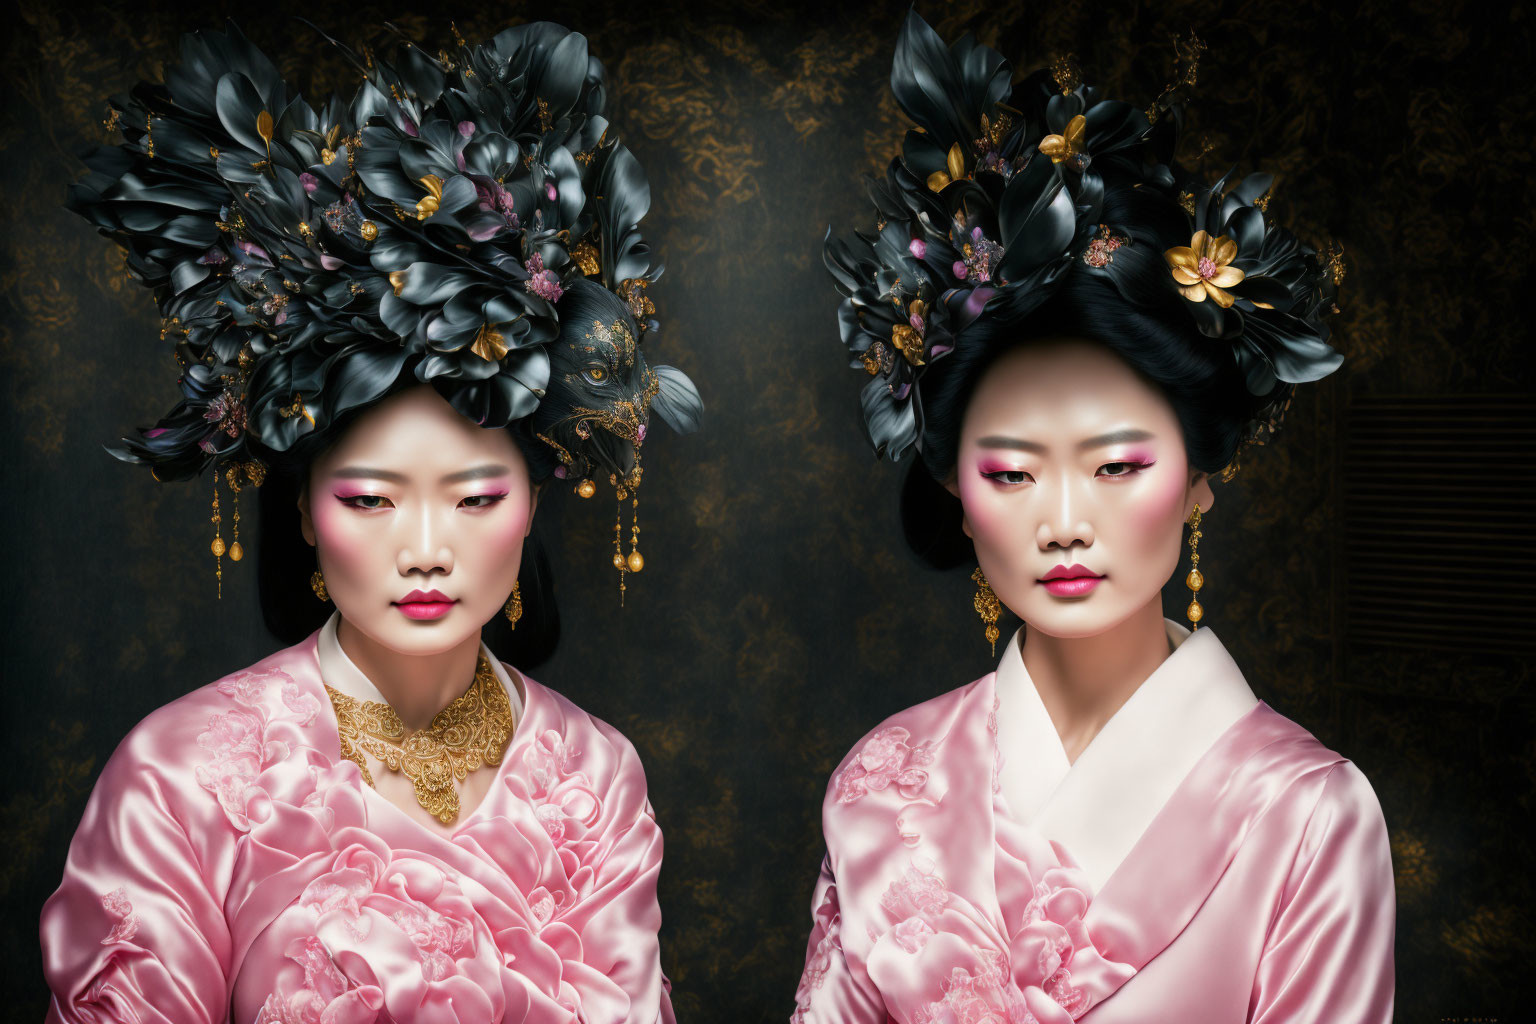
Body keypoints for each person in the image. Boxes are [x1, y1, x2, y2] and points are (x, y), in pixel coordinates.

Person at [40, 20, 700, 1024]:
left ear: (534, 500)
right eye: (370, 498)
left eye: (476, 496)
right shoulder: (182, 776)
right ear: (304, 511)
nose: (426, 547)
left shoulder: (591, 773)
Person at [794, 10, 1393, 1023]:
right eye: (1014, 472)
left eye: (1117, 465)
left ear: (1201, 474)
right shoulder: (882, 780)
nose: (1065, 521)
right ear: (954, 486)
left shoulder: (1308, 813)